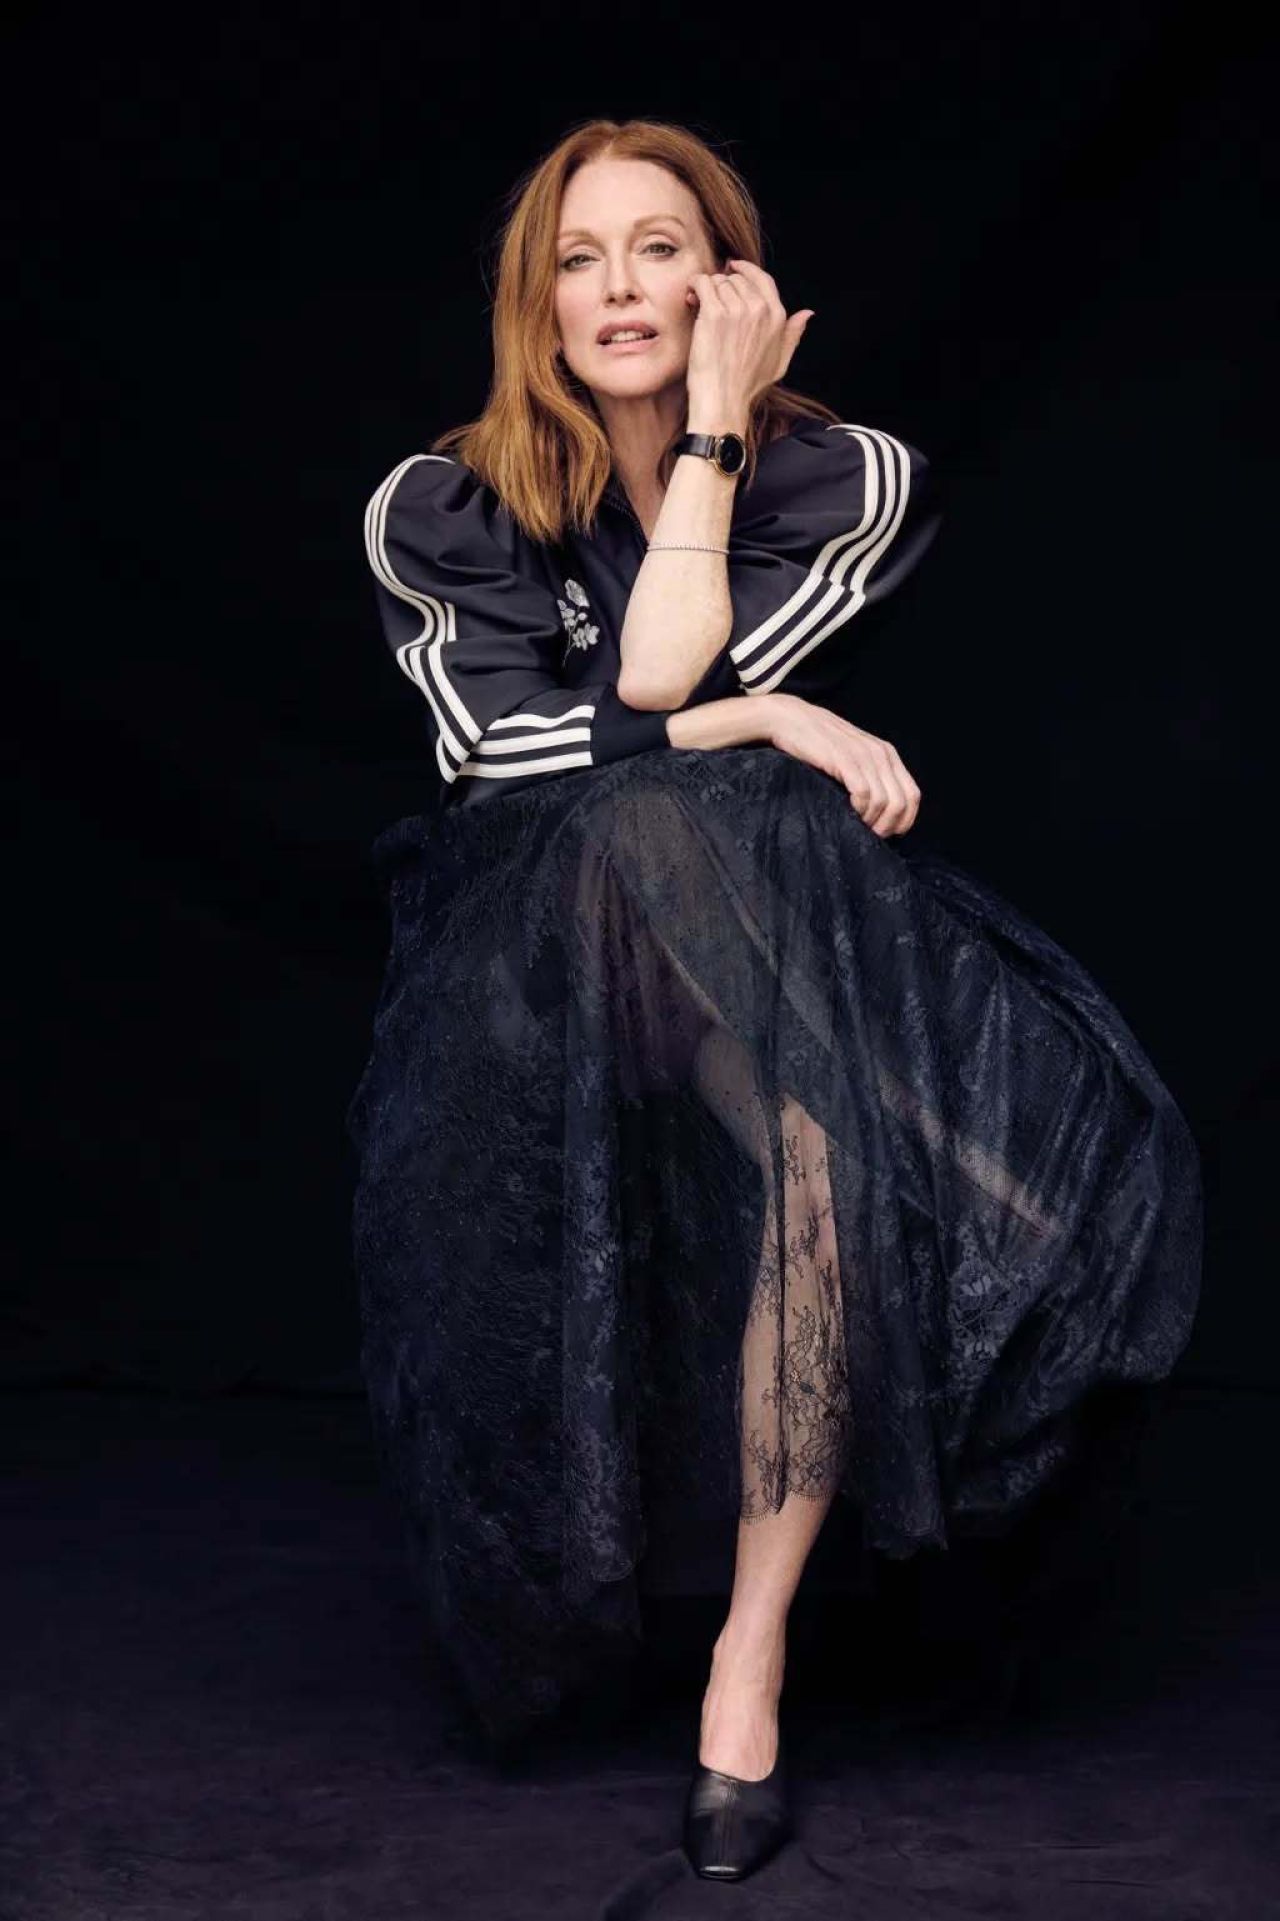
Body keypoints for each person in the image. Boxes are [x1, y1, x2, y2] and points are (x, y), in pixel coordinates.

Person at [345, 117, 1203, 1883]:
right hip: (527, 975)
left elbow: (658, 682)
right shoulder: (439, 502)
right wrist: (769, 711)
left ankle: (750, 1658)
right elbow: (530, 750)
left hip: (764, 949)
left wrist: (719, 438)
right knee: (663, 804)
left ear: (730, 283)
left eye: (660, 249)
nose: (617, 289)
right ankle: (916, 1149)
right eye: (578, 259)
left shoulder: (846, 477)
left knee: (825, 1153)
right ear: (533, 302)